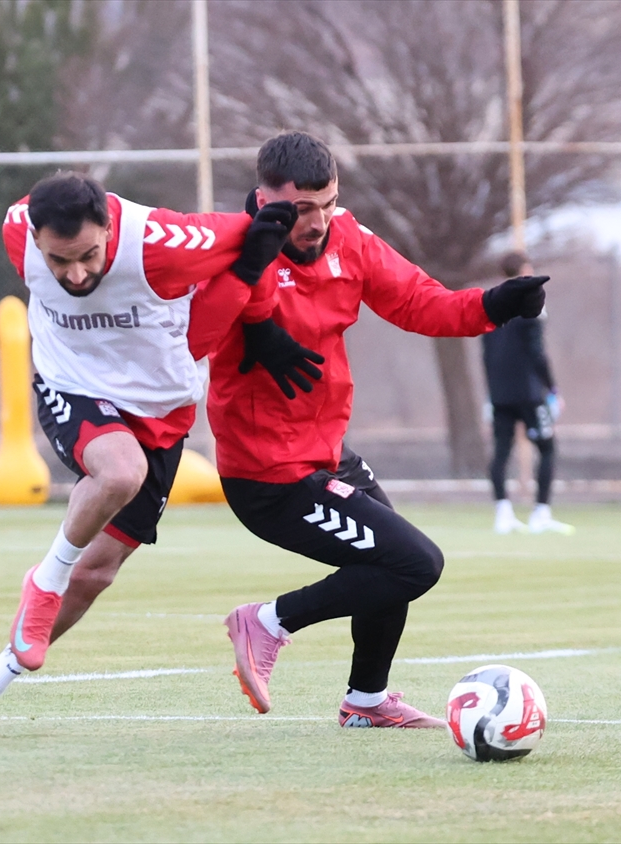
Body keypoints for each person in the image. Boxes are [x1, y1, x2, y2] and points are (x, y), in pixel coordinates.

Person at [0, 172, 313, 738]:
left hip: (160, 412)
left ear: (109, 226)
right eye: (59, 262)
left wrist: (271, 241)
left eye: (87, 256)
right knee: (118, 471)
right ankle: (44, 583)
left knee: (96, 573)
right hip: (72, 387)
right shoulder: (14, 229)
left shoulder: (163, 243)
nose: (75, 274)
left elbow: (255, 240)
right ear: (34, 239)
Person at [205, 131, 550, 728]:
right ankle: (265, 622)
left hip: (326, 454)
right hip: (269, 476)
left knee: (396, 566)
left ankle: (366, 701)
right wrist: (252, 322)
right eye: (300, 209)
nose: (316, 222)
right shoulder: (233, 253)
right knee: (416, 562)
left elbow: (426, 305)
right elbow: (192, 319)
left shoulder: (351, 240)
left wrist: (495, 304)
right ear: (264, 200)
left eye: (327, 203)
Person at [481, 251, 573, 535]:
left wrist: (491, 391)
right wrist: (552, 388)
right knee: (547, 448)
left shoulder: (491, 304)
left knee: (501, 451)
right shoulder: (530, 305)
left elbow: (486, 355)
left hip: (500, 394)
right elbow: (537, 353)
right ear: (523, 270)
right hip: (529, 394)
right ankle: (540, 513)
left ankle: (503, 512)